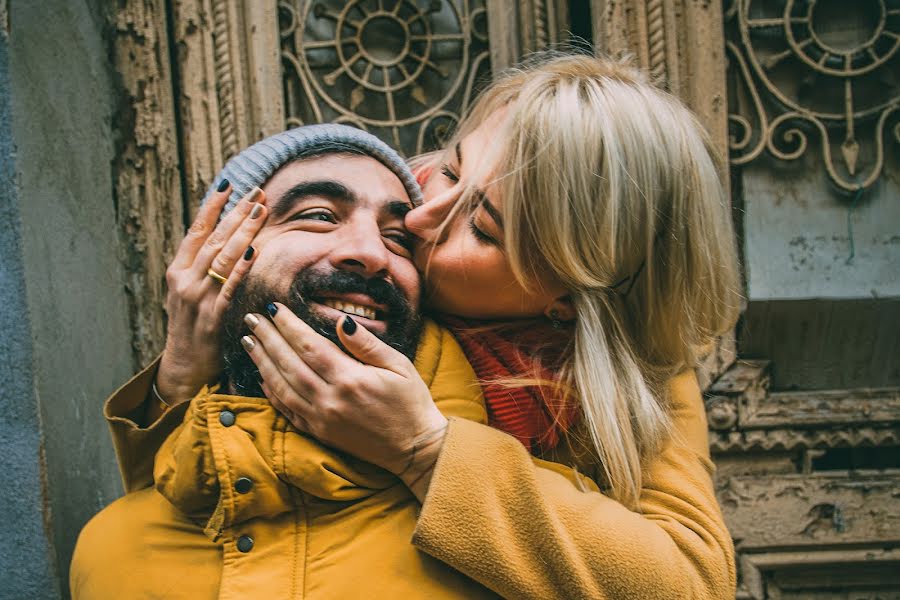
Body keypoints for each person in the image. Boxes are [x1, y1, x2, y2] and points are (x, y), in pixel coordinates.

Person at [78, 53, 741, 599]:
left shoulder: (627, 371)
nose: (420, 219)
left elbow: (687, 582)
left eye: (482, 228)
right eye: (449, 167)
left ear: (566, 298)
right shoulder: (382, 216)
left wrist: (425, 451)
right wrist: (180, 383)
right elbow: (207, 515)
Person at [71, 124, 495, 598]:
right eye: (318, 216)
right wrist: (177, 380)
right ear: (222, 255)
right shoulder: (111, 553)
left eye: (397, 237)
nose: (372, 253)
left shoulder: (519, 534)